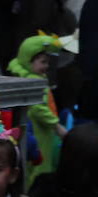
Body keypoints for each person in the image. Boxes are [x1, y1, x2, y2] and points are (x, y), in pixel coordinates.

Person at [7, 33, 68, 185]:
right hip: (38, 131)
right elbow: (37, 109)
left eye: (47, 62)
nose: (46, 66)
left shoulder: (34, 78)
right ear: (29, 61)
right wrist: (56, 125)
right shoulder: (32, 81)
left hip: (43, 131)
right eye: (42, 62)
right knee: (38, 166)